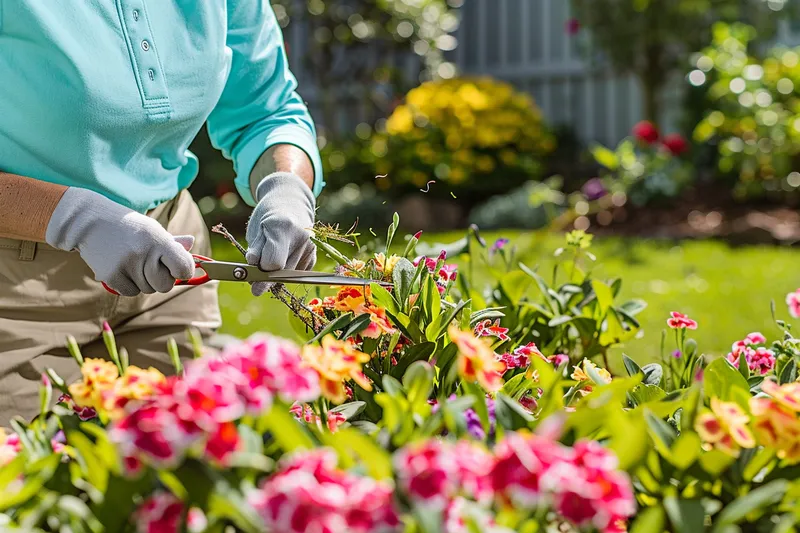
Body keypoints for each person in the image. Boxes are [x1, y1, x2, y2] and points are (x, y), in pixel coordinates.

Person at [0, 2, 323, 423]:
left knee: (185, 461)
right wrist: (77, 217)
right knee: (31, 473)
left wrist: (288, 188)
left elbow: (267, 109)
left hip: (170, 263)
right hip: (15, 290)